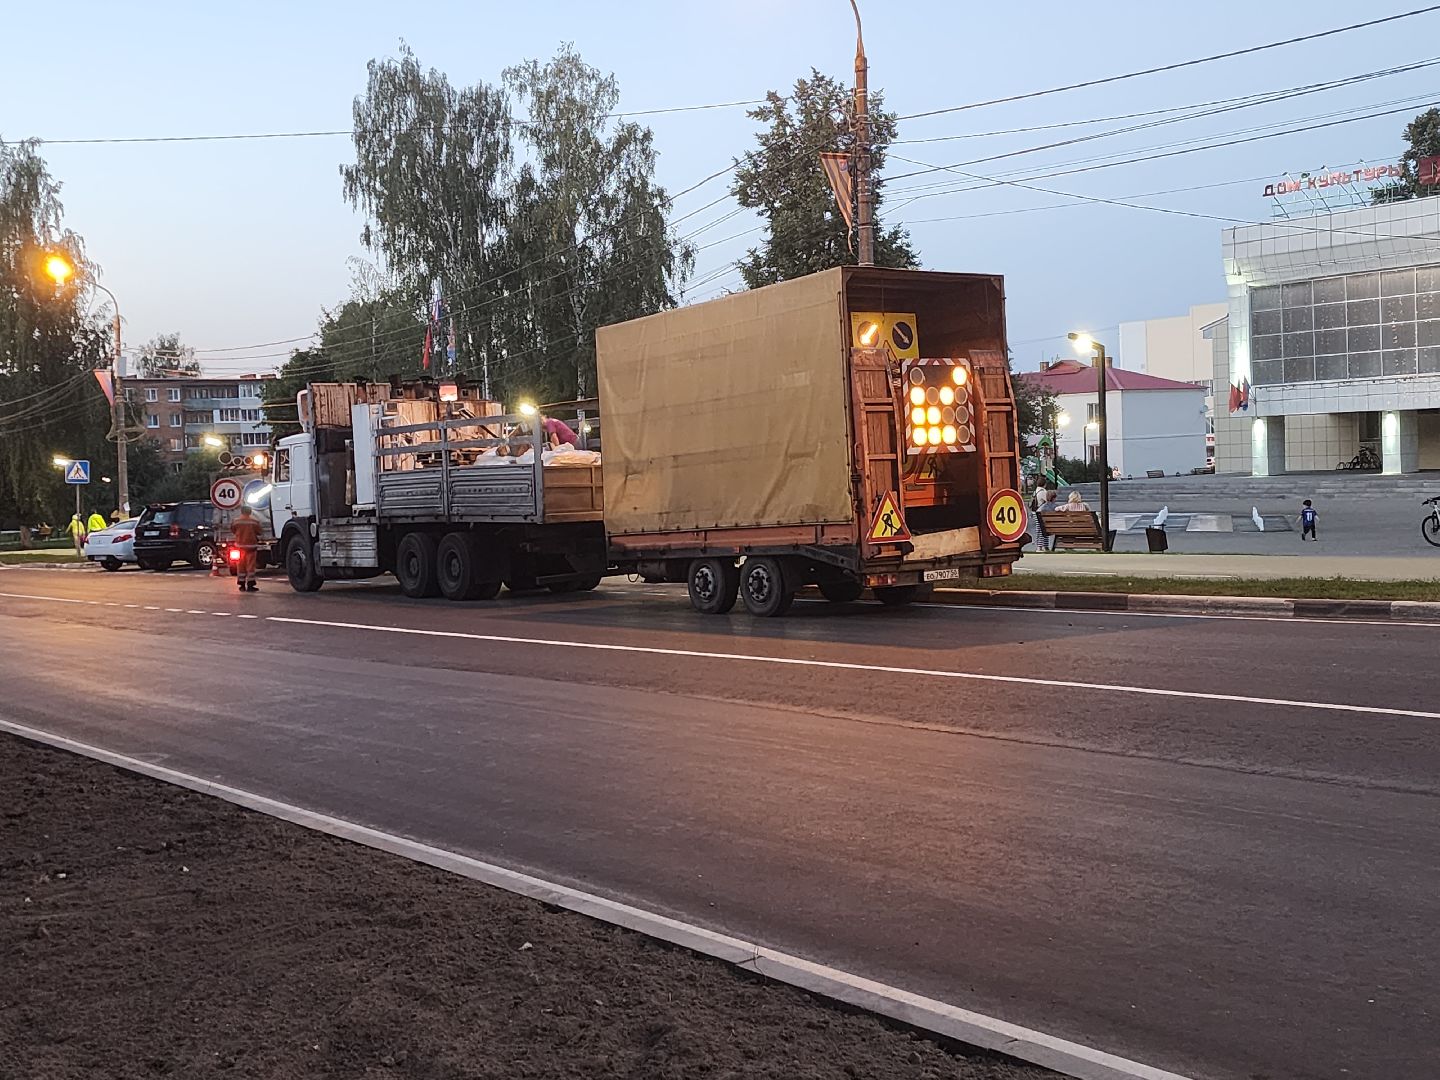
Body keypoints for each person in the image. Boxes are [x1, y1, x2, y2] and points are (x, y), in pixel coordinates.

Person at [229, 505, 264, 592]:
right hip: (251, 547)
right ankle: (250, 584)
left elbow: (233, 530)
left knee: (240, 566)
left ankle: (241, 584)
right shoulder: (254, 522)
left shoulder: (236, 521)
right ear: (250, 512)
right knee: (250, 566)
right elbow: (259, 532)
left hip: (240, 546)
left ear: (241, 511)